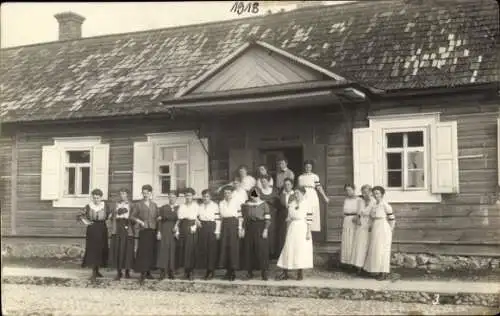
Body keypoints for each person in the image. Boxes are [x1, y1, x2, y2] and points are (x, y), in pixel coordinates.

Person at [276, 187, 313, 281]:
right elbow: (289, 218)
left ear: (303, 194)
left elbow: (309, 219)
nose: (296, 195)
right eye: (295, 193)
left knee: (300, 250)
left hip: (302, 228)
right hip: (293, 228)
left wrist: (308, 232)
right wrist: (287, 231)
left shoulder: (307, 204)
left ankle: (300, 273)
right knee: (288, 248)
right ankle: (285, 273)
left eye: (298, 193)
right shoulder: (292, 204)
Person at [77, 188, 111, 281]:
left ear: (101, 197)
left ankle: (98, 270)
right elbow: (79, 215)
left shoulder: (105, 206)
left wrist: (107, 222)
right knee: (93, 249)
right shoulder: (88, 206)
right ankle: (93, 272)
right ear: (92, 198)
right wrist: (86, 222)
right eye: (94, 198)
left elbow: (110, 216)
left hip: (102, 229)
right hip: (92, 229)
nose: (96, 200)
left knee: (101, 248)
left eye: (98, 198)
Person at [364, 186, 396, 281]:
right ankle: (375, 271)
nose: (375, 195)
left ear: (382, 194)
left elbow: (392, 219)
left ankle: (384, 272)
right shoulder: (374, 205)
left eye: (377, 193)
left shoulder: (385, 205)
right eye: (374, 193)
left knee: (383, 250)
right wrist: (370, 225)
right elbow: (371, 217)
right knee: (376, 249)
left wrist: (390, 230)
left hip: (383, 227)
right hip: (375, 227)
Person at [130, 184, 159, 284]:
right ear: (142, 193)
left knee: (150, 251)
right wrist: (140, 221)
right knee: (143, 252)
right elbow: (132, 217)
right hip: (143, 230)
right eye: (144, 193)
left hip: (152, 230)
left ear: (151, 193)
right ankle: (142, 273)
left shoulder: (154, 205)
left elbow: (157, 217)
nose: (145, 195)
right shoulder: (138, 204)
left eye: (148, 193)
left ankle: (148, 272)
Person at [241, 188, 271, 281]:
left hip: (260, 227)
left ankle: (264, 273)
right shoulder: (247, 205)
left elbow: (268, 219)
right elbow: (245, 218)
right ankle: (249, 272)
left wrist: (265, 229)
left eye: (256, 194)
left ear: (259, 194)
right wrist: (243, 228)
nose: (254, 196)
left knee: (261, 250)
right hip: (249, 227)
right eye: (252, 194)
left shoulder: (264, 204)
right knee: (249, 249)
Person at [216, 185, 244, 281]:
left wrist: (240, 228)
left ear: (232, 193)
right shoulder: (221, 203)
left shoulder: (236, 202)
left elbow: (240, 217)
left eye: (228, 193)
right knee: (225, 247)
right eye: (225, 193)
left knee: (233, 248)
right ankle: (227, 271)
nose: (227, 194)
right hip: (224, 225)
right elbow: (219, 218)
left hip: (233, 224)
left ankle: (233, 272)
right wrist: (218, 231)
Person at [108, 188, 134, 280]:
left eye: (124, 194)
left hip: (128, 228)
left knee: (127, 250)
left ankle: (127, 272)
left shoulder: (131, 205)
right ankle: (119, 272)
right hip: (118, 228)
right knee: (118, 249)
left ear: (127, 195)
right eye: (121, 194)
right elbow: (111, 217)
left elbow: (134, 217)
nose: (122, 195)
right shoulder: (116, 205)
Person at [297, 160, 329, 232]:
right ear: (304, 167)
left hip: (312, 195)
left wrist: (324, 196)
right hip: (303, 195)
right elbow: (298, 189)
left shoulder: (314, 176)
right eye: (306, 167)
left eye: (309, 167)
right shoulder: (300, 177)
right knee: (303, 211)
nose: (308, 168)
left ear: (311, 168)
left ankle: (310, 231)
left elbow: (319, 187)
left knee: (312, 211)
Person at [174, 188, 199, 280]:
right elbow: (179, 219)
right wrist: (177, 230)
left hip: (192, 227)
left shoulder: (196, 206)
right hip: (183, 227)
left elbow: (197, 218)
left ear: (192, 196)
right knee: (184, 249)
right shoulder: (182, 206)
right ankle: (186, 271)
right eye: (186, 195)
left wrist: (195, 227)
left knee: (191, 249)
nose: (188, 197)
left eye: (190, 195)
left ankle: (191, 271)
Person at [351, 184, 375, 275]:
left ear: (371, 192)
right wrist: (357, 219)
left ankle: (367, 267)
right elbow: (358, 213)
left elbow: (374, 214)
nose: (365, 194)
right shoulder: (360, 201)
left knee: (368, 245)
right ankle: (358, 266)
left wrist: (371, 225)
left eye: (367, 192)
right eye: (363, 192)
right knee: (360, 245)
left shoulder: (374, 201)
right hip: (361, 224)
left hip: (369, 223)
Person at [196, 189, 220, 280]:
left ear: (210, 197)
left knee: (212, 249)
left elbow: (218, 220)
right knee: (204, 249)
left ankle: (211, 270)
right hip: (203, 227)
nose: (205, 198)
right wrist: (197, 220)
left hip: (212, 227)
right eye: (204, 196)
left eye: (207, 196)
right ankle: (207, 270)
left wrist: (217, 231)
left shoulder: (215, 206)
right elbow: (196, 216)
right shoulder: (200, 206)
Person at [156, 190, 179, 280]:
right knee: (163, 250)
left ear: (176, 198)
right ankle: (163, 272)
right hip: (164, 230)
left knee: (172, 251)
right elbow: (159, 221)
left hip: (174, 231)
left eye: (173, 197)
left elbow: (180, 220)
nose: (171, 198)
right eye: (170, 196)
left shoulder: (179, 208)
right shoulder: (163, 208)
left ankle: (171, 272)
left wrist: (177, 231)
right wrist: (159, 232)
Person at [257, 175, 280, 259]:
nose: (263, 183)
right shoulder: (258, 191)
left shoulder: (274, 190)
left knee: (272, 232)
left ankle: (272, 253)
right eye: (262, 181)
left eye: (265, 181)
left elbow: (278, 202)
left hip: (272, 214)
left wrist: (272, 203)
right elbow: (253, 199)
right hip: (262, 215)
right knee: (263, 232)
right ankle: (264, 253)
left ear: (268, 181)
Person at [341, 184, 361, 270]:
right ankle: (348, 264)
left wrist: (357, 217)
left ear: (354, 190)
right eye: (346, 190)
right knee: (347, 241)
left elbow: (360, 211)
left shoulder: (359, 200)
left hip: (355, 221)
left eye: (350, 190)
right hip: (346, 221)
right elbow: (343, 212)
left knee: (354, 241)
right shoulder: (346, 200)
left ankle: (355, 264)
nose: (348, 192)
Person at [277, 178, 295, 255]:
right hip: (283, 216)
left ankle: (292, 253)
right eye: (285, 185)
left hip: (292, 217)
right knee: (282, 234)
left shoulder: (295, 194)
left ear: (292, 185)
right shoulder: (281, 195)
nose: (287, 186)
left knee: (291, 234)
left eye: (288, 184)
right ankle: (283, 254)